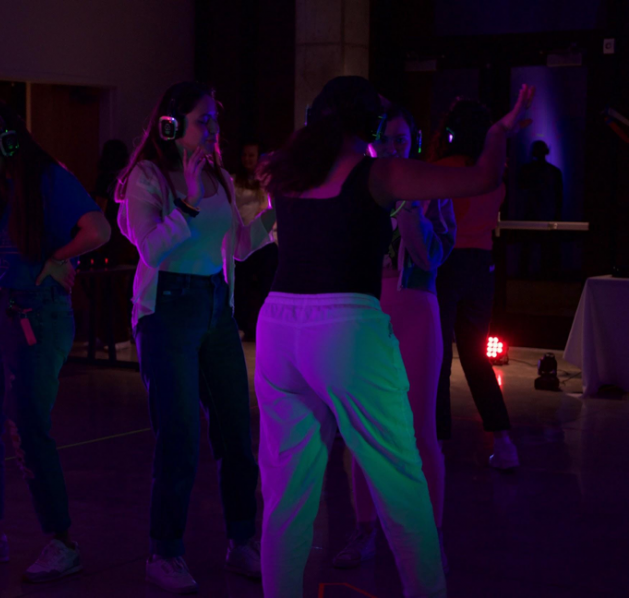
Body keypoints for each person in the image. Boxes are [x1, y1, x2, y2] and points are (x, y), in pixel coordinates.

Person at [255, 76, 534, 598]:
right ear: (370, 126)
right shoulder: (378, 173)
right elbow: (481, 178)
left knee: (286, 499)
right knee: (402, 484)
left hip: (276, 327)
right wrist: (499, 130)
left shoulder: (287, 171)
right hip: (345, 327)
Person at [0, 102, 111, 582]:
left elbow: (99, 230)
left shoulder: (49, 178)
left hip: (41, 316)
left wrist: (57, 259)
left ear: (7, 141)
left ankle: (62, 542)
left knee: (28, 428)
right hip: (5, 312)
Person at [116, 81, 276, 594]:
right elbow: (152, 252)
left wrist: (277, 208)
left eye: (214, 120)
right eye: (203, 120)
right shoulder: (148, 178)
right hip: (166, 312)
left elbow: (243, 246)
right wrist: (184, 201)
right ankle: (164, 552)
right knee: (180, 434)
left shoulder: (220, 178)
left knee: (236, 430)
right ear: (171, 126)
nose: (213, 129)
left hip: (216, 306)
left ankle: (242, 541)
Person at [333, 104, 456, 573]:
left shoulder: (427, 192)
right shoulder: (358, 190)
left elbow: (430, 259)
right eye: (385, 141)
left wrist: (410, 212)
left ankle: (432, 535)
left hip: (415, 310)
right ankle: (365, 528)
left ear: (414, 144)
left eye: (401, 141)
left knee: (421, 429)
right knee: (364, 429)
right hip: (366, 313)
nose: (392, 149)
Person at [431, 98, 519, 470]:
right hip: (482, 265)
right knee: (476, 356)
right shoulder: (495, 175)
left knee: (438, 357)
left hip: (447, 263)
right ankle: (504, 441)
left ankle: (437, 442)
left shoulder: (443, 170)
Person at [233, 141, 277, 340]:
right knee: (240, 285)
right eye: (245, 155)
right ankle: (241, 326)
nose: (247, 159)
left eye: (252, 155)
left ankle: (269, 325)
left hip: (263, 241)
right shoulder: (233, 181)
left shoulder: (266, 181)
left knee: (268, 285)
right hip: (242, 239)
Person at [516, 140, 564, 278]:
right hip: (545, 214)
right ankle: (544, 275)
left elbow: (522, 192)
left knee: (532, 247)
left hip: (535, 214)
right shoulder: (554, 172)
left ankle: (527, 275)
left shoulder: (528, 170)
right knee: (541, 247)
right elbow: (559, 197)